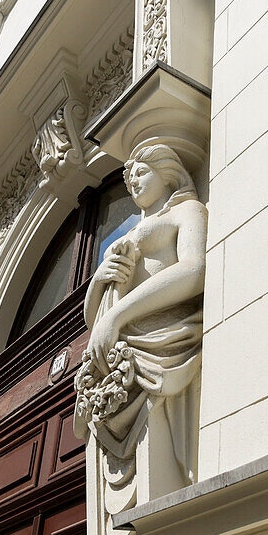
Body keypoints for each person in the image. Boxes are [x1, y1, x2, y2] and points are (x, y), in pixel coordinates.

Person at [75, 143, 207, 482]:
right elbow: (91, 318)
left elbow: (194, 270)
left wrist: (117, 316)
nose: (132, 181)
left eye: (140, 172)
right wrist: (99, 280)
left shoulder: (187, 210)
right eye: (128, 175)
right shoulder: (126, 235)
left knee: (162, 451)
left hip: (161, 344)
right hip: (118, 353)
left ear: (167, 172)